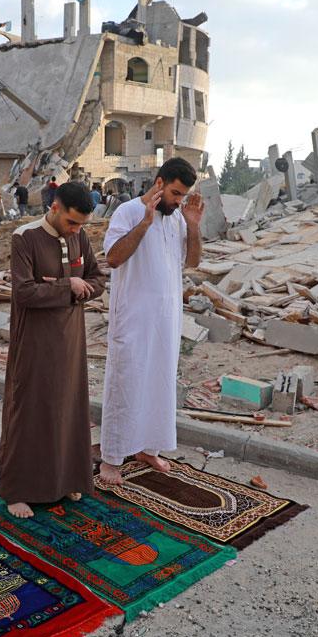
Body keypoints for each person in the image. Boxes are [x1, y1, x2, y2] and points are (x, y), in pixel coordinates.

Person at [0, 182, 106, 518]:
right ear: (55, 208)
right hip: (35, 341)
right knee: (30, 411)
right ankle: (17, 489)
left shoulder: (80, 237)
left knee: (68, 409)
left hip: (71, 339)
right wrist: (67, 285)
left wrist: (71, 287)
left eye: (80, 225)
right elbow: (25, 293)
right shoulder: (25, 237)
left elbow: (97, 280)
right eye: (72, 222)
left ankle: (66, 480)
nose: (75, 230)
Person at [98, 158, 204, 485]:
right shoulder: (128, 212)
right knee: (126, 383)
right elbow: (113, 258)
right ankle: (111, 459)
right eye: (174, 193)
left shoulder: (177, 219)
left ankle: (148, 448)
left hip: (166, 321)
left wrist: (194, 225)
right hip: (133, 318)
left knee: (159, 384)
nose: (178, 201)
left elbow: (194, 262)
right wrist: (143, 224)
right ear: (159, 183)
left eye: (183, 196)